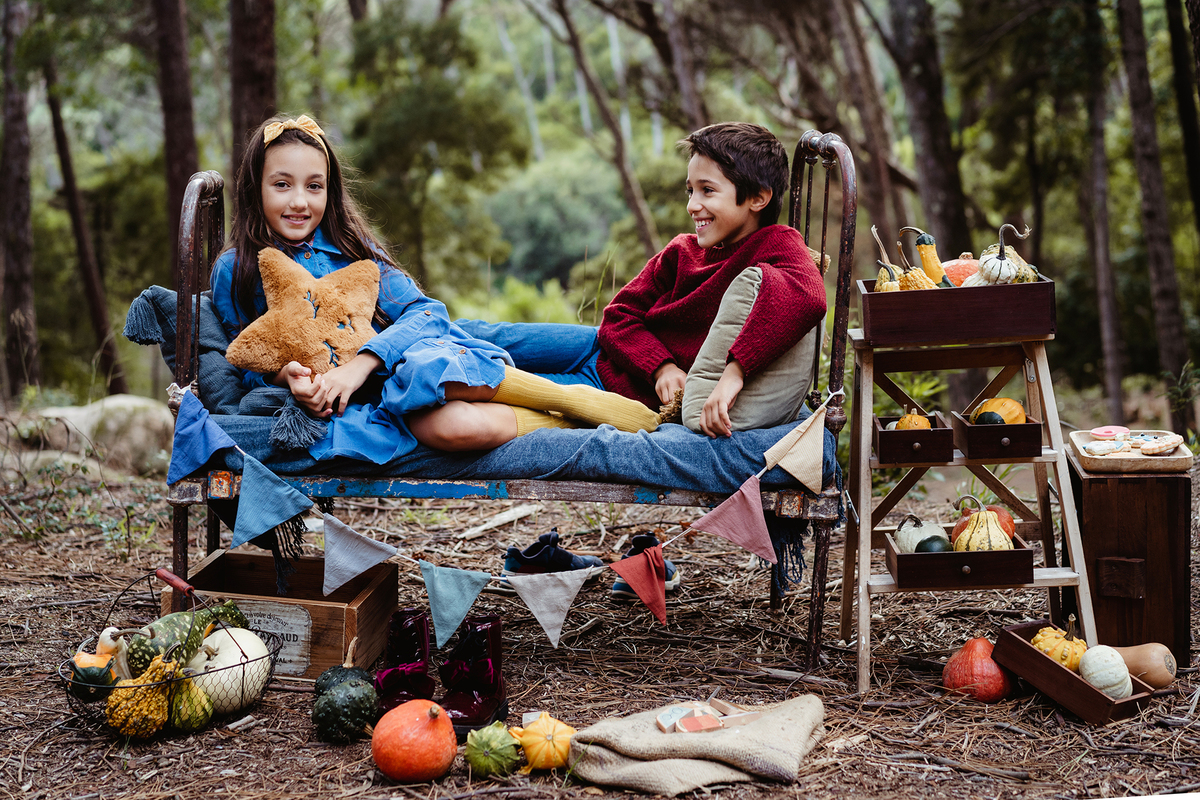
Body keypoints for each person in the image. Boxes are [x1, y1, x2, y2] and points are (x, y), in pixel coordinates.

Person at [210, 114, 660, 464]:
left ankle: (674, 371)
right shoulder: (238, 269)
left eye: (314, 186)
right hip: (403, 384)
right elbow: (246, 358)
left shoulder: (350, 246)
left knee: (590, 343)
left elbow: (426, 312)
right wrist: (286, 377)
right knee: (452, 417)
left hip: (429, 344)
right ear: (255, 187)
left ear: (331, 190)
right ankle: (576, 410)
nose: (299, 202)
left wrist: (360, 365)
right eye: (281, 185)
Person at [460, 121, 827, 438]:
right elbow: (617, 316)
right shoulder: (681, 250)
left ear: (758, 198)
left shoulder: (775, 243)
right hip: (599, 348)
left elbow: (810, 295)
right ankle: (410, 329)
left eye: (707, 190)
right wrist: (662, 367)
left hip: (613, 388)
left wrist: (734, 374)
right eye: (690, 190)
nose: (692, 205)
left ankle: (420, 378)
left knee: (487, 380)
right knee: (490, 336)